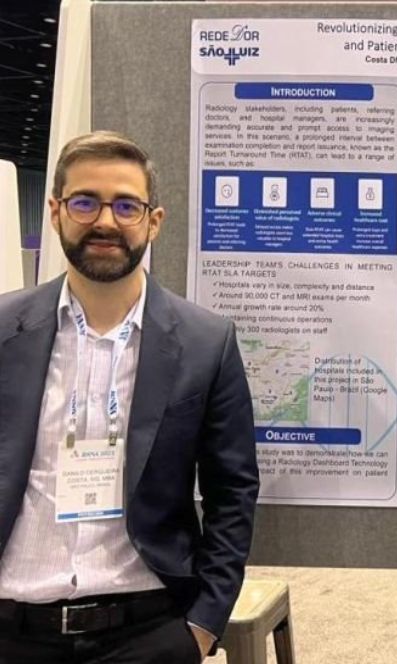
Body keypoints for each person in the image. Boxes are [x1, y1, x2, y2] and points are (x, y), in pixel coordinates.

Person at [0, 131, 260, 663]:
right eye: (84, 202)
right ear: (55, 212)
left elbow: (232, 490)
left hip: (147, 632)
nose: (105, 221)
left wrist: (203, 624)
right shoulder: (5, 330)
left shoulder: (205, 343)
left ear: (153, 221)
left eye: (125, 205)